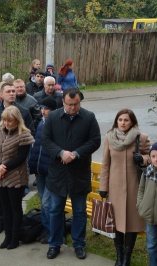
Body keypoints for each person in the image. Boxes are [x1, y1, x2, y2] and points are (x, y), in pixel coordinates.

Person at [42, 88, 101, 260]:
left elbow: (95, 141)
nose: (73, 108)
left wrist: (76, 154)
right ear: (63, 102)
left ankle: (79, 244)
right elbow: (46, 140)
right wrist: (61, 153)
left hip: (79, 173)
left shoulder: (89, 117)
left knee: (79, 211)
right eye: (69, 105)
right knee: (55, 210)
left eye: (76, 104)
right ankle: (55, 243)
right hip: (58, 173)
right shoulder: (53, 117)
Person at [0, 82, 35, 235]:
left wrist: (16, 145)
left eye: (14, 91)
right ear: (1, 94)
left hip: (16, 161)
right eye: (9, 91)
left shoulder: (23, 111)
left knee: (15, 197)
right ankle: (1, 222)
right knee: (0, 196)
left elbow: (31, 131)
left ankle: (14, 228)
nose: (12, 93)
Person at [99, 108, 151, 266]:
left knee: (131, 222)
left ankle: (127, 257)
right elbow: (106, 164)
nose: (123, 123)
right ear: (116, 121)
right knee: (116, 222)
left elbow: (155, 156)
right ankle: (119, 255)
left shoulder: (140, 138)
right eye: (120, 120)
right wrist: (103, 186)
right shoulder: (110, 137)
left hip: (135, 186)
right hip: (114, 187)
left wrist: (142, 158)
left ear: (132, 122)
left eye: (126, 120)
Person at [0, 105, 35, 249]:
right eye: (5, 120)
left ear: (17, 121)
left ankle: (15, 238)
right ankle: (7, 236)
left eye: (10, 121)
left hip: (16, 177)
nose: (7, 124)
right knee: (5, 208)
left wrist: (5, 167)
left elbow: (22, 157)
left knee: (15, 208)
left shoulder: (24, 135)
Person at [28, 96, 57, 244]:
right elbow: (37, 147)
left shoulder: (56, 125)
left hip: (51, 170)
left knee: (47, 203)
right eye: (42, 108)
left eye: (47, 109)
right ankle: (46, 229)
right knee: (42, 200)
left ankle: (52, 230)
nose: (43, 111)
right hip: (39, 169)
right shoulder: (40, 123)